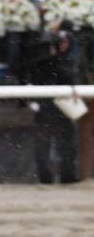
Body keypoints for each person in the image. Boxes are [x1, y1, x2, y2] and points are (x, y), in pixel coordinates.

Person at [28, 27, 80, 184]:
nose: (63, 45)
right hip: (47, 107)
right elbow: (35, 79)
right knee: (44, 145)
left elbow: (69, 79)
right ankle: (46, 177)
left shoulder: (69, 61)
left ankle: (67, 176)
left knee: (66, 144)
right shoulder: (43, 62)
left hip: (63, 107)